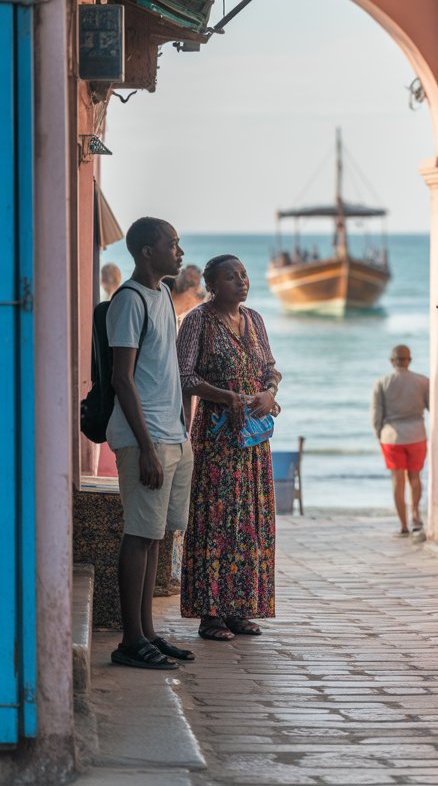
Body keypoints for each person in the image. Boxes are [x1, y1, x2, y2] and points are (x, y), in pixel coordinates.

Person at [177, 254, 282, 642]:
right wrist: (225, 395)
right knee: (215, 521)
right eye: (231, 277)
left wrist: (269, 393)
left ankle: (240, 609)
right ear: (213, 285)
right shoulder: (197, 322)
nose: (241, 281)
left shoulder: (254, 320)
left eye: (243, 274)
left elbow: (270, 367)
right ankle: (211, 614)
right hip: (216, 438)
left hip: (253, 441)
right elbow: (184, 375)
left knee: (250, 522)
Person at [107, 217, 195, 670]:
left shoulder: (162, 295)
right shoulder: (129, 300)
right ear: (147, 251)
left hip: (173, 435)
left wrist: (181, 428)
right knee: (139, 534)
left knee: (157, 535)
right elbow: (123, 379)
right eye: (172, 244)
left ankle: (148, 633)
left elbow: (165, 371)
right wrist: (144, 445)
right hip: (146, 437)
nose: (178, 252)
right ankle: (129, 640)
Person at [371, 344, 430, 536]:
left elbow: (376, 415)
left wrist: (379, 434)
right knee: (415, 477)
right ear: (409, 360)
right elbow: (431, 408)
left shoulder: (382, 382)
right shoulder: (422, 381)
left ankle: (403, 526)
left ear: (391, 361)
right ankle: (416, 515)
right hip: (417, 435)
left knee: (397, 481)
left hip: (392, 437)